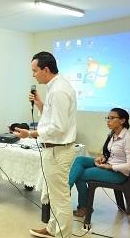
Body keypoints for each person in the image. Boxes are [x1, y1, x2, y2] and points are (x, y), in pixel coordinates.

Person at [14, 51, 77, 238]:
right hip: (53, 149)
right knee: (54, 195)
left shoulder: (58, 91)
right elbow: (51, 117)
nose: (33, 75)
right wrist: (40, 103)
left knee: (60, 197)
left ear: (46, 69)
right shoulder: (55, 86)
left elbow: (58, 127)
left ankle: (63, 234)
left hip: (58, 150)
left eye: (35, 70)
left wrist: (31, 133)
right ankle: (52, 229)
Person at [69, 108, 130, 217]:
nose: (108, 121)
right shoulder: (113, 134)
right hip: (109, 165)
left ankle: (84, 207)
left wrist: (109, 167)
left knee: (80, 175)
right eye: (107, 118)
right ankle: (67, 187)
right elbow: (110, 153)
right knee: (80, 160)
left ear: (122, 120)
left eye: (112, 118)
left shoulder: (129, 139)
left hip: (118, 174)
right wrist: (102, 158)